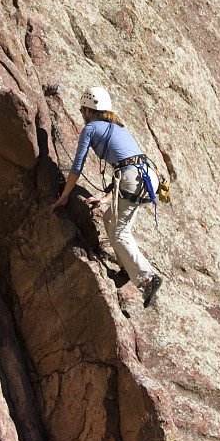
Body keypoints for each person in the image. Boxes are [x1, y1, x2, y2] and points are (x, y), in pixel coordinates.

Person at [50, 86, 163, 307]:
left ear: (89, 111)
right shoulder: (118, 126)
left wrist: (64, 196)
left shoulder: (91, 129)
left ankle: (148, 278)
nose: (82, 114)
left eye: (83, 110)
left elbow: (77, 167)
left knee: (119, 231)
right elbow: (127, 164)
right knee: (110, 220)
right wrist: (105, 199)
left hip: (133, 177)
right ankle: (126, 270)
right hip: (146, 175)